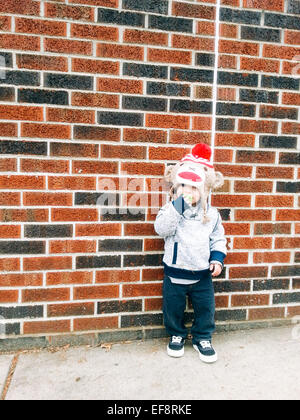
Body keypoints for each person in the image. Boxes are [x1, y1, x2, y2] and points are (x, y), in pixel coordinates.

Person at [154, 143, 227, 363]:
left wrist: (217, 259)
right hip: (175, 272)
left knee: (206, 308)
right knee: (173, 307)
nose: (188, 191)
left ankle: (202, 337)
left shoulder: (211, 215)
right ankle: (176, 334)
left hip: (202, 275)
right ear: (176, 188)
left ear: (204, 191)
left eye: (194, 187)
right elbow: (161, 229)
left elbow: (218, 238)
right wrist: (177, 208)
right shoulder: (170, 209)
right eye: (184, 186)